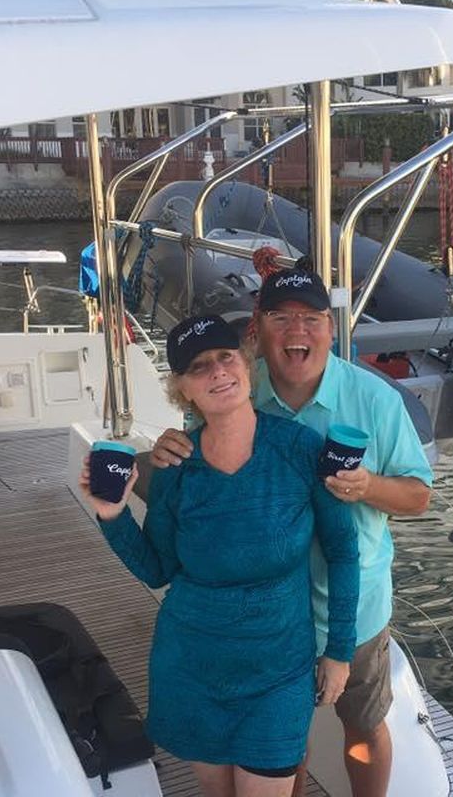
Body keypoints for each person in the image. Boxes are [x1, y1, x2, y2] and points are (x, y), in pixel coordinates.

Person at [151, 271, 433, 797]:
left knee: (364, 726)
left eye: (311, 317)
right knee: (282, 742)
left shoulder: (375, 399)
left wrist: (367, 485)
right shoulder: (236, 384)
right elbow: (198, 465)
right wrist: (167, 448)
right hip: (269, 617)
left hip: (355, 607)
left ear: (330, 328)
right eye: (281, 317)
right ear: (257, 330)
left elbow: (419, 497)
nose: (296, 329)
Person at [82, 313, 359, 797]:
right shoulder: (174, 466)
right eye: (199, 367)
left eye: (226, 358)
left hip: (279, 670)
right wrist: (112, 513)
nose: (217, 372)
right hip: (192, 667)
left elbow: (342, 551)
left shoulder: (299, 448)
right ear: (182, 390)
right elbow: (155, 568)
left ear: (247, 367)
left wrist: (339, 652)